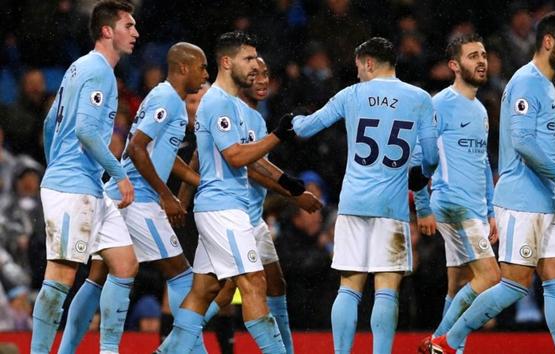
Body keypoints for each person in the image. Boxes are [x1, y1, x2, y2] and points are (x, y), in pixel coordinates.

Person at [430, 11, 555, 354]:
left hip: (547, 199)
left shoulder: (544, 85)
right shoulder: (526, 82)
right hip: (521, 199)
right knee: (515, 285)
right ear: (549, 41)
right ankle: (448, 341)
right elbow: (522, 141)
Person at [58, 42, 210, 354]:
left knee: (99, 276)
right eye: (202, 67)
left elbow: (160, 154)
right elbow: (136, 149)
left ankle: (79, 350)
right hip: (137, 199)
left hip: (116, 195)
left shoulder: (165, 97)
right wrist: (166, 196)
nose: (205, 74)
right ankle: (190, 349)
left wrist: (198, 179)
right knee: (181, 274)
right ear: (184, 67)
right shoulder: (169, 98)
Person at [291, 37, 438, 354]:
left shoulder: (351, 95)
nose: (357, 73)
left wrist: (293, 119)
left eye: (358, 66)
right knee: (386, 290)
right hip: (392, 208)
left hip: (353, 204)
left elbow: (304, 130)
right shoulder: (419, 98)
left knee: (349, 287)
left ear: (369, 63)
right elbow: (430, 158)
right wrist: (422, 180)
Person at [156, 31, 296, 354]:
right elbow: (235, 156)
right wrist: (277, 136)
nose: (253, 66)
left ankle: (167, 351)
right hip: (223, 208)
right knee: (254, 283)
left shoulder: (231, 104)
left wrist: (289, 183)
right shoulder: (217, 101)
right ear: (227, 61)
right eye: (248, 59)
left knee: (205, 289)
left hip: (221, 207)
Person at [33, 1, 139, 354]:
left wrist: (56, 163)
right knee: (60, 277)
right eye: (128, 25)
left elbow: (51, 123)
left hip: (85, 184)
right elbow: (87, 131)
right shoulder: (99, 72)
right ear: (108, 30)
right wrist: (119, 174)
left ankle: (107, 350)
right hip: (74, 187)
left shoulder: (79, 67)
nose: (135, 33)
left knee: (124, 264)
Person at [197, 56, 322, 354]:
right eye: (255, 75)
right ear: (240, 78)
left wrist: (293, 187)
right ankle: (180, 339)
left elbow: (260, 163)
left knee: (273, 283)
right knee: (233, 288)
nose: (263, 80)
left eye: (266, 74)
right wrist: (295, 194)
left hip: (251, 214)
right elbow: (248, 166)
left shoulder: (255, 117)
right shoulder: (231, 110)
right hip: (231, 213)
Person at [415, 33, 500, 354]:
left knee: (459, 283)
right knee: (491, 277)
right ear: (454, 65)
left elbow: (482, 162)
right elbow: (418, 158)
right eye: (472, 56)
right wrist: (423, 206)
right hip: (453, 204)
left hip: (475, 208)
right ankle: (441, 341)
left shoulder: (480, 109)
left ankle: (445, 347)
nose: (481, 60)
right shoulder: (438, 104)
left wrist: (490, 211)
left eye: (483, 54)